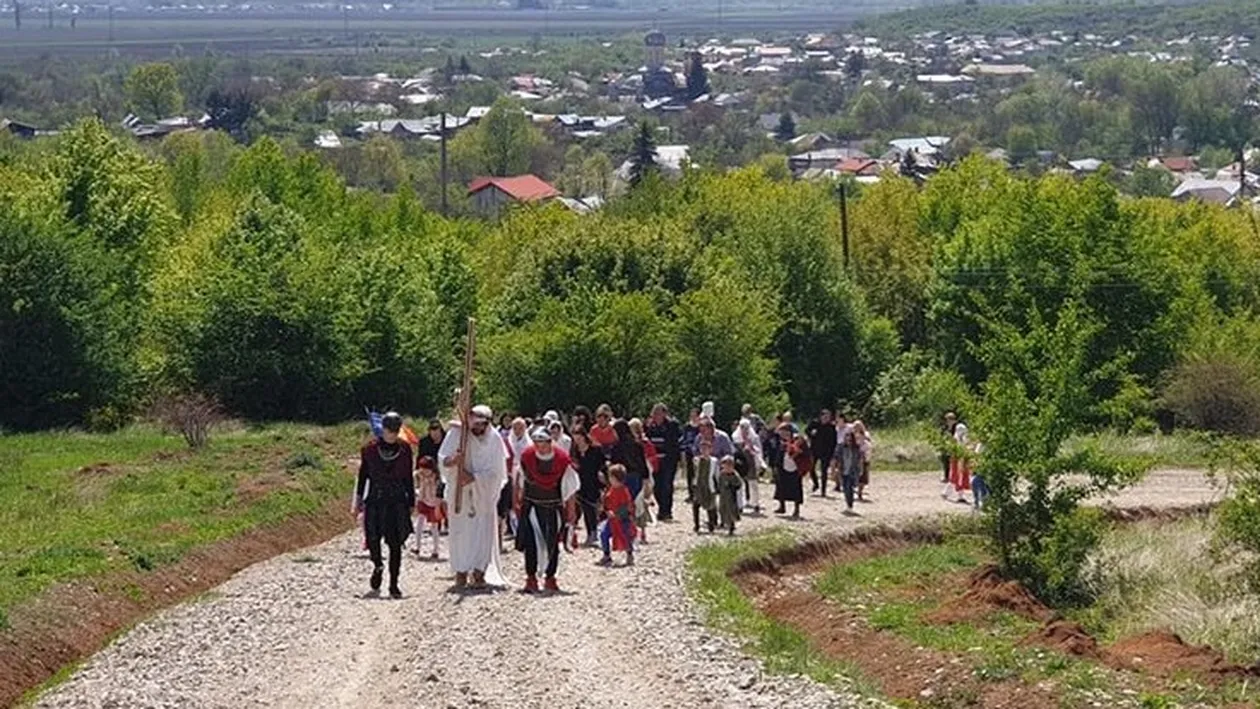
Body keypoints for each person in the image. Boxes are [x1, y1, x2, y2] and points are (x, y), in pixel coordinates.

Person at [439, 404, 509, 590]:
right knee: (460, 533)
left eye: (481, 425)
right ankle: (460, 572)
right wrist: (454, 461)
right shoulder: (458, 434)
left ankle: (479, 572)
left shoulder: (494, 440)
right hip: (460, 495)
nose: (477, 429)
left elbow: (498, 473)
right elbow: (443, 459)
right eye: (474, 425)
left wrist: (473, 479)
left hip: (483, 498)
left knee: (481, 532)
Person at [353, 412, 415, 598]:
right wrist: (357, 500)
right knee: (373, 538)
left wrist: (411, 501)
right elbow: (363, 476)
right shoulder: (370, 449)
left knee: (395, 544)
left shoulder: (404, 449)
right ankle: (378, 565)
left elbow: (408, 478)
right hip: (375, 499)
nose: (393, 435)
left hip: (396, 501)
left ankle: (394, 584)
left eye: (396, 431)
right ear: (383, 429)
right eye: (390, 431)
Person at [514, 429, 578, 594]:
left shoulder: (562, 460)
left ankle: (550, 578)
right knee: (530, 543)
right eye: (537, 444)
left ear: (550, 442)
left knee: (552, 543)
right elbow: (519, 480)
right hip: (531, 507)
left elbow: (570, 490)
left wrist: (571, 511)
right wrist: (516, 500)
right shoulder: (527, 457)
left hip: (552, 508)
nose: (539, 448)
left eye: (543, 444)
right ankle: (531, 578)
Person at [645, 403, 682, 522]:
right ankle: (662, 507)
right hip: (655, 460)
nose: (655, 416)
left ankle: (666, 511)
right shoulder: (650, 426)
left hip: (668, 460)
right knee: (657, 486)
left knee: (667, 485)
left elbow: (674, 442)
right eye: (654, 413)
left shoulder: (672, 425)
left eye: (658, 413)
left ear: (665, 414)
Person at [571, 427, 606, 547]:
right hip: (581, 482)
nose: (577, 441)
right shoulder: (575, 450)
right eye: (575, 438)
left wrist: (602, 473)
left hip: (594, 481)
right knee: (586, 509)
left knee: (594, 507)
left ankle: (596, 532)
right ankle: (591, 533)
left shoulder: (595, 449)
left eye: (579, 437)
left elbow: (603, 463)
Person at [598, 464, 636, 567]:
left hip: (622, 520)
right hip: (611, 521)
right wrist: (605, 509)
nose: (609, 479)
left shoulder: (624, 491)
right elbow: (607, 502)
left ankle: (630, 554)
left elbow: (627, 506)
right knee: (603, 534)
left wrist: (616, 514)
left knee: (626, 537)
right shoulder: (610, 489)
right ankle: (606, 555)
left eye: (611, 477)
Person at [413, 455, 445, 559]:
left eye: (426, 469)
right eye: (422, 468)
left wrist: (438, 504)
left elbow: (440, 493)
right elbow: (413, 478)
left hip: (433, 503)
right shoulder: (419, 475)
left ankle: (435, 550)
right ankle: (417, 547)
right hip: (422, 500)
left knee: (434, 527)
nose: (424, 471)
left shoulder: (437, 479)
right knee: (419, 524)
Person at [774, 424, 809, 519]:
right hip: (783, 466)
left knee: (796, 488)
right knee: (781, 486)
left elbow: (803, 451)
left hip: (795, 467)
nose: (782, 433)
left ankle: (796, 509)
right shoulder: (780, 441)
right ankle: (782, 506)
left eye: (784, 431)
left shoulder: (797, 439)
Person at [733, 417, 764, 515]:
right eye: (742, 427)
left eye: (746, 427)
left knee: (753, 484)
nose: (744, 429)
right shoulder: (735, 437)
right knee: (740, 484)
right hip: (740, 463)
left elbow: (759, 450)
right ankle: (740, 505)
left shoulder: (754, 438)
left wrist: (751, 449)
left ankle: (755, 504)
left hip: (751, 462)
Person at [806, 409, 838, 497]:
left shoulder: (831, 427)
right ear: (821, 416)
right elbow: (807, 431)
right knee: (811, 468)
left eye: (828, 417)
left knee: (824, 471)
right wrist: (811, 433)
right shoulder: (815, 423)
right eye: (825, 416)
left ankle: (823, 491)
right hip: (814, 450)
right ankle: (816, 483)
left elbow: (834, 441)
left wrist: (832, 453)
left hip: (826, 452)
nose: (826, 418)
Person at [691, 438, 719, 534]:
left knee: (710, 506)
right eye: (702, 448)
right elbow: (693, 472)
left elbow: (716, 474)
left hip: (709, 485)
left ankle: (711, 524)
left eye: (706, 448)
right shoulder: (696, 460)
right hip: (699, 485)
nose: (704, 450)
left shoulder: (714, 461)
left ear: (710, 449)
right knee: (696, 505)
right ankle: (696, 524)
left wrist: (718, 486)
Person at [942, 413, 971, 504]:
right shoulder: (951, 429)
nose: (948, 423)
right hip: (956, 453)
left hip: (960, 453)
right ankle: (949, 493)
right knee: (955, 473)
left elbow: (962, 441)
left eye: (949, 420)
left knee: (959, 474)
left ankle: (949, 493)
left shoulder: (960, 427)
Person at [833, 428, 862, 516]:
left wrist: (861, 470)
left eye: (850, 439)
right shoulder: (840, 447)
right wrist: (834, 468)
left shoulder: (856, 448)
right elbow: (836, 457)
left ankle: (850, 505)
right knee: (845, 488)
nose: (848, 440)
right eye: (847, 438)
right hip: (843, 470)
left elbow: (859, 460)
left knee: (850, 488)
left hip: (852, 471)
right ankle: (848, 503)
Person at [717, 455, 743, 535]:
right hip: (723, 495)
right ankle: (723, 521)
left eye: (729, 465)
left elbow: (739, 483)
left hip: (731, 496)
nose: (727, 467)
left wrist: (733, 486)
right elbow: (719, 483)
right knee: (722, 508)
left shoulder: (734, 475)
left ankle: (731, 525)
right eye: (725, 465)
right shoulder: (722, 474)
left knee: (731, 510)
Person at [681, 407, 702, 503]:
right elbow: (684, 438)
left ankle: (700, 494)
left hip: (699, 452)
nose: (693, 418)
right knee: (690, 474)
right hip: (689, 452)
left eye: (695, 416)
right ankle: (691, 494)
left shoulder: (701, 426)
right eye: (691, 416)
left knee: (699, 474)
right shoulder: (687, 426)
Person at [852, 420, 873, 502]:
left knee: (863, 476)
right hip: (854, 457)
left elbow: (869, 444)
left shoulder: (866, 435)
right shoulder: (851, 435)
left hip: (864, 456)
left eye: (858, 426)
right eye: (855, 426)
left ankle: (860, 492)